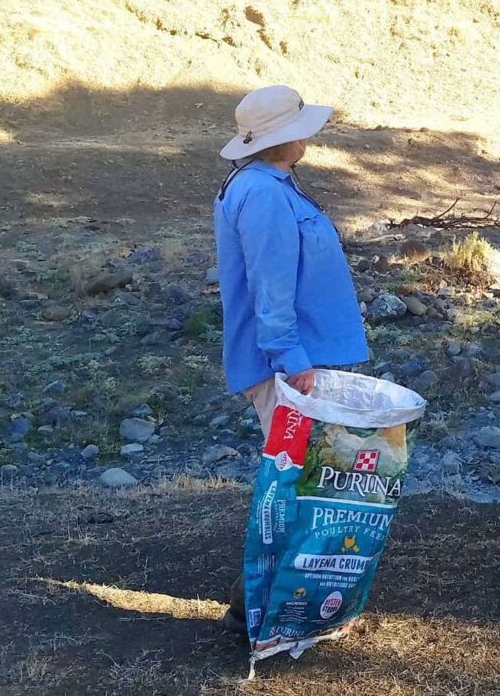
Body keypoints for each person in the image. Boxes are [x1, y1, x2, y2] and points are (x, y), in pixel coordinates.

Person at [213, 85, 369, 632]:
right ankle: (261, 605)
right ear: (286, 135)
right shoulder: (264, 195)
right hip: (292, 365)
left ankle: (281, 600)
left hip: (298, 359)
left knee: (304, 482)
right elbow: (269, 288)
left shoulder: (266, 186)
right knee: (296, 484)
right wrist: (291, 359)